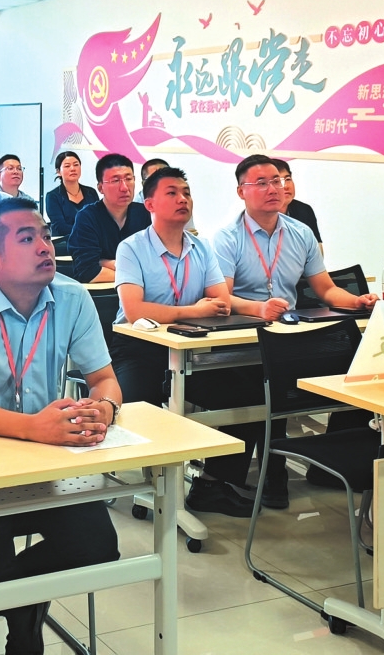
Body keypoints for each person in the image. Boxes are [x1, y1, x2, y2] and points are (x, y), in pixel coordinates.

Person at [0, 197, 121, 655]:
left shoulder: (72, 297)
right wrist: (33, 427)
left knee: (99, 545)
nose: (45, 246)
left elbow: (105, 380)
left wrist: (105, 408)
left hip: (43, 459)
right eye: (27, 238)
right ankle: (20, 620)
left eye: (45, 235)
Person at [112, 167, 286, 517]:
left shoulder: (201, 247)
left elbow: (220, 300)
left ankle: (212, 484)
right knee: (135, 408)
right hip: (140, 349)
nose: (183, 199)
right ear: (150, 204)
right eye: (172, 193)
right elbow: (134, 310)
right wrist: (192, 311)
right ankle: (154, 485)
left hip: (192, 350)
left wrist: (248, 308)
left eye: (187, 193)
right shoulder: (132, 247)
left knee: (254, 393)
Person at [210, 154, 378, 508]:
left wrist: (357, 301)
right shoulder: (227, 238)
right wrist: (258, 308)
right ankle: (267, 474)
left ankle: (334, 465)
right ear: (241, 192)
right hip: (243, 335)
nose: (274, 188)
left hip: (290, 334)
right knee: (261, 384)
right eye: (261, 183)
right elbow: (222, 296)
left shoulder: (300, 233)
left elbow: (326, 290)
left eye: (277, 180)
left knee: (360, 370)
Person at [67, 153, 150, 283]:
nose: (124, 188)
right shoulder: (87, 217)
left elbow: (155, 264)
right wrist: (136, 274)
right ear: (100, 188)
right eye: (115, 181)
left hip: (141, 291)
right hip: (101, 293)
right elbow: (87, 272)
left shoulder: (145, 214)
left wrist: (103, 262)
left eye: (129, 179)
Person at [269, 157, 323, 246]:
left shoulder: (304, 210)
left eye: (288, 179)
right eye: (277, 181)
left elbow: (317, 249)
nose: (286, 186)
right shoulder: (259, 215)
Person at [45, 151, 98, 237]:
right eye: (67, 166)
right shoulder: (53, 196)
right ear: (58, 171)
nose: (73, 169)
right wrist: (87, 231)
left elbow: (98, 220)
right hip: (65, 241)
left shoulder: (91, 192)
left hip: (91, 240)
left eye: (76, 165)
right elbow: (60, 227)